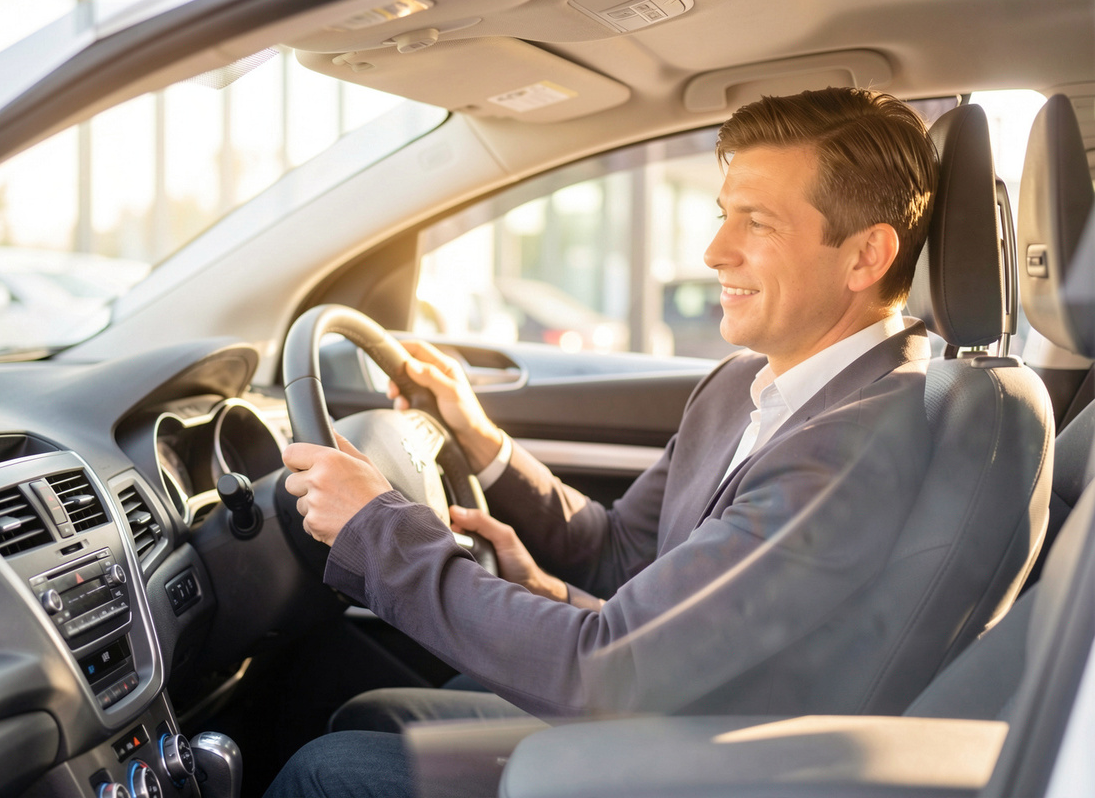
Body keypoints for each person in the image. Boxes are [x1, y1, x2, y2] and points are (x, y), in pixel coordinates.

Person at [269, 86, 939, 798]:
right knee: (370, 714)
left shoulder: (851, 447)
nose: (715, 252)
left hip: (708, 767)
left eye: (758, 223)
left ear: (866, 255)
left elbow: (608, 672)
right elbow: (621, 553)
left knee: (325, 774)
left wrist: (378, 530)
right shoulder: (746, 387)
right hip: (670, 720)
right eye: (723, 216)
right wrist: (481, 441)